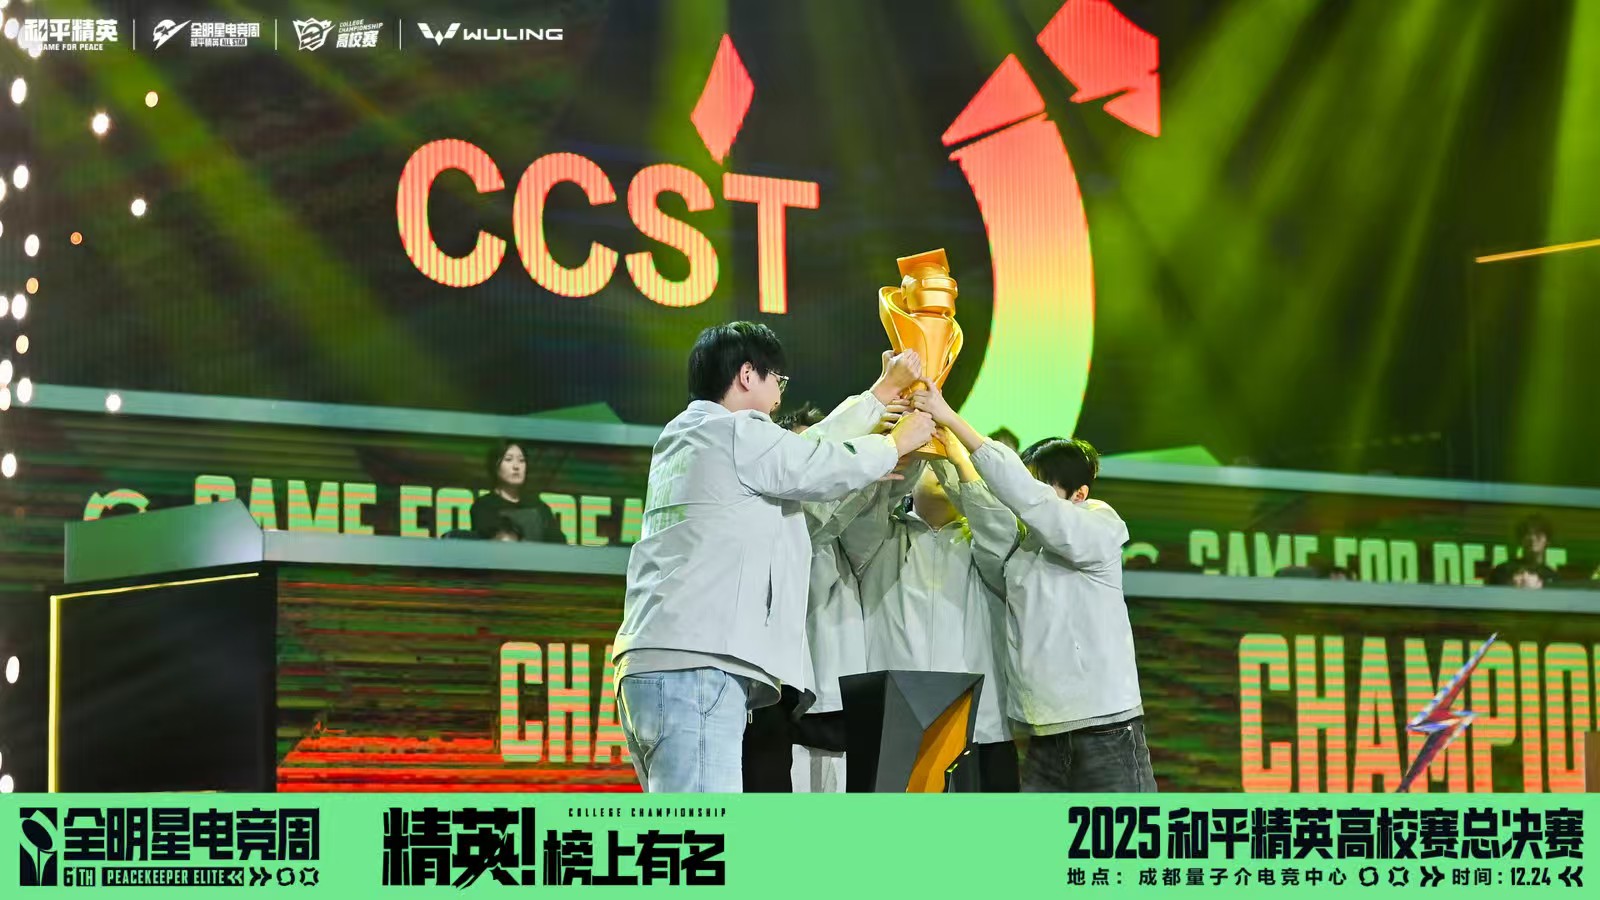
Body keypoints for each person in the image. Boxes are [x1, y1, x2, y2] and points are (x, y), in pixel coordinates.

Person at [612, 322, 936, 793]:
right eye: (777, 381)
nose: (779, 397)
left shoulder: (694, 436)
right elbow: (817, 462)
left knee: (683, 827)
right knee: (705, 829)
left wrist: (879, 395)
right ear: (748, 375)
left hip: (659, 666)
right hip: (698, 668)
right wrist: (896, 443)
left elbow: (804, 450)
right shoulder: (735, 432)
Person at [912, 384, 1155, 792]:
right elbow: (988, 516)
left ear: (1079, 494)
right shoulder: (1023, 550)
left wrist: (953, 420)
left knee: (1117, 835)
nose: (1021, 498)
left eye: (1039, 486)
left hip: (1107, 731)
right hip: (1044, 736)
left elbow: (1032, 503)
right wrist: (950, 453)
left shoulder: (1099, 526)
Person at [842, 433, 1019, 791]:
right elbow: (860, 519)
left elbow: (1001, 530)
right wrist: (906, 451)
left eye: (946, 462)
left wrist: (953, 457)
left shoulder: (985, 544)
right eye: (929, 463)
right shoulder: (879, 539)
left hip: (979, 724)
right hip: (893, 720)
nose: (939, 468)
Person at [470, 440, 566, 543]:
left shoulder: (538, 506)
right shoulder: (483, 506)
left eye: (521, 460)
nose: (516, 466)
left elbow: (559, 544)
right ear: (495, 466)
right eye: (508, 459)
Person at [1488, 516, 1558, 586]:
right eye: (1528, 534)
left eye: (1538, 534)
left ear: (1548, 541)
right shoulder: (1503, 571)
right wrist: (1511, 584)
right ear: (1521, 539)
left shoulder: (1553, 576)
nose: (1532, 538)